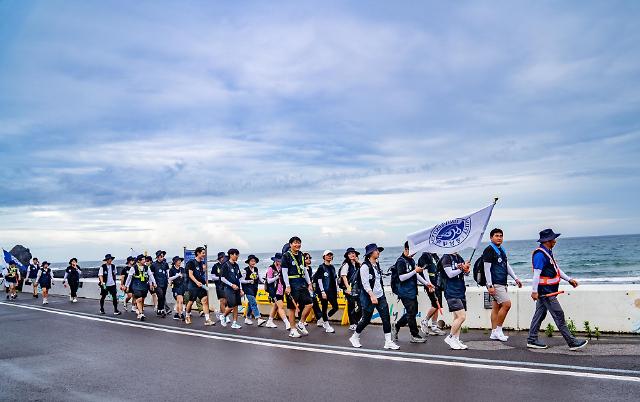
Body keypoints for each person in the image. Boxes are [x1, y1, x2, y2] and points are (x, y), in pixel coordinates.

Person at [527, 229, 588, 351]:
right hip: (546, 292)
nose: (555, 241)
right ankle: (572, 342)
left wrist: (569, 280)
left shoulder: (547, 252)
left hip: (548, 291)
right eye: (553, 239)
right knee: (559, 315)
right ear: (547, 241)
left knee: (540, 314)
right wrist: (534, 291)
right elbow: (536, 275)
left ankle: (532, 340)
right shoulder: (540, 255)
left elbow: (556, 269)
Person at [349, 243, 399, 350]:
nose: (378, 252)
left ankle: (388, 342)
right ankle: (355, 337)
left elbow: (377, 280)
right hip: (369, 297)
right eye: (377, 250)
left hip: (380, 296)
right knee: (366, 320)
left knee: (386, 318)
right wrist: (372, 295)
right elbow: (365, 283)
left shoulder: (376, 264)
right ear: (371, 253)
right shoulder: (365, 267)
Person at [483, 228, 523, 342]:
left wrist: (515, 278)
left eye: (501, 235)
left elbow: (506, 266)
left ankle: (493, 332)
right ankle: (498, 331)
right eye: (496, 235)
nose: (499, 237)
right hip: (495, 283)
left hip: (502, 282)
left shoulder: (501, 250)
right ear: (491, 238)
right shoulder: (489, 250)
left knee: (496, 308)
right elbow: (487, 269)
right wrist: (490, 285)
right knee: (507, 304)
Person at [392, 242, 432, 344]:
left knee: (412, 312)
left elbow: (416, 275)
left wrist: (426, 283)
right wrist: (415, 271)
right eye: (412, 251)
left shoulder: (411, 260)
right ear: (406, 249)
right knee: (411, 313)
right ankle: (414, 335)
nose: (414, 254)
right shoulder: (400, 261)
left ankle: (396, 326)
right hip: (404, 292)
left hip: (412, 291)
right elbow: (401, 277)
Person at [281, 237, 314, 338]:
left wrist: (309, 283)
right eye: (295, 243)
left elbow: (304, 270)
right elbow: (284, 272)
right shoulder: (286, 256)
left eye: (299, 243)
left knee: (309, 303)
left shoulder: (301, 255)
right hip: (292, 283)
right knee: (292, 308)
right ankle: (292, 329)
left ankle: (301, 323)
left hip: (302, 282)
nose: (297, 245)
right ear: (290, 244)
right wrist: (287, 286)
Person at [441, 252, 470, 350]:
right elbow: (450, 274)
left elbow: (465, 273)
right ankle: (450, 338)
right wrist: (461, 268)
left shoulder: (459, 257)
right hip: (451, 291)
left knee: (457, 317)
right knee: (462, 316)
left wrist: (466, 269)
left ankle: (456, 339)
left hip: (460, 290)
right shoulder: (446, 257)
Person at [184, 247, 214, 326]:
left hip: (201, 285)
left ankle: (207, 319)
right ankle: (187, 316)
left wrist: (205, 282)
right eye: (203, 253)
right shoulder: (191, 263)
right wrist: (197, 282)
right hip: (193, 285)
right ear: (198, 253)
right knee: (190, 302)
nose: (204, 255)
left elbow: (202, 275)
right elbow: (190, 274)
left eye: (204, 253)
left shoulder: (202, 263)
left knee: (205, 300)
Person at [417, 252, 445, 336]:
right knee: (436, 304)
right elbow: (424, 272)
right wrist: (429, 284)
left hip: (437, 284)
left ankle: (434, 326)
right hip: (431, 285)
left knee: (437, 305)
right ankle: (425, 321)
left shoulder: (434, 255)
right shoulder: (425, 256)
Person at [313, 250, 339, 333]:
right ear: (324, 257)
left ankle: (323, 319)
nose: (329, 256)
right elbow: (319, 280)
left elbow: (335, 279)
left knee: (335, 307)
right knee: (324, 308)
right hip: (324, 291)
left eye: (331, 255)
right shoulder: (321, 267)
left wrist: (337, 289)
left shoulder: (332, 267)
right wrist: (322, 291)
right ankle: (326, 325)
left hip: (332, 291)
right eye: (328, 255)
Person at [125, 254, 157, 321]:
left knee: (142, 299)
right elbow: (129, 278)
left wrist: (154, 283)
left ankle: (140, 311)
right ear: (139, 261)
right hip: (136, 285)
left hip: (144, 285)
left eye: (144, 259)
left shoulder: (146, 267)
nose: (144, 261)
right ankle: (141, 313)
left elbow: (151, 275)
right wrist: (126, 286)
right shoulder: (133, 268)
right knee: (139, 299)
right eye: (142, 259)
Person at [264, 253, 290, 329]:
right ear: (275, 260)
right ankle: (287, 323)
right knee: (280, 306)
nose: (280, 262)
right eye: (279, 260)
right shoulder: (271, 268)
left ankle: (269, 321)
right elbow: (269, 281)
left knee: (276, 306)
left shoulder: (281, 268)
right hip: (274, 291)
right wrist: (277, 277)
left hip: (281, 290)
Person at [219, 249, 243, 329]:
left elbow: (239, 278)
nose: (237, 257)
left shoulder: (236, 265)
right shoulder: (225, 265)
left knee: (236, 306)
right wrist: (231, 285)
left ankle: (235, 323)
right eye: (236, 255)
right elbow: (222, 278)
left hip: (237, 288)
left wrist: (241, 289)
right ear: (231, 255)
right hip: (228, 288)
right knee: (231, 305)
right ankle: (223, 316)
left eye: (238, 255)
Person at [339, 247, 362, 331]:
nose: (352, 254)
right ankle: (352, 324)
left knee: (361, 305)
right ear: (347, 256)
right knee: (351, 305)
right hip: (348, 288)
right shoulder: (346, 264)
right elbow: (344, 276)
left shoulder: (357, 264)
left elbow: (365, 268)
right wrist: (348, 287)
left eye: (353, 253)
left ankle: (356, 320)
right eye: (350, 253)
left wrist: (358, 261)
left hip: (357, 288)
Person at [241, 254, 266, 326]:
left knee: (250, 303)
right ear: (248, 262)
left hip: (255, 288)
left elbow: (260, 278)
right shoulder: (245, 270)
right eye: (251, 261)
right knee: (254, 302)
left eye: (254, 261)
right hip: (247, 288)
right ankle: (258, 318)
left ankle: (247, 318)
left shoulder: (256, 269)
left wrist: (264, 282)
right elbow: (241, 280)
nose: (253, 262)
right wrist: (249, 281)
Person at [305, 252, 323, 326]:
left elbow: (311, 279)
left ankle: (319, 318)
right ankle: (302, 320)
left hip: (310, 289)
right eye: (307, 258)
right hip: (304, 289)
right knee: (306, 304)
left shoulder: (310, 268)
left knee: (314, 303)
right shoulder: (302, 268)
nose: (309, 259)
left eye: (310, 258)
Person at [151, 250, 171, 317]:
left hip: (164, 282)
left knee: (163, 296)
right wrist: (152, 283)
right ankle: (161, 309)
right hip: (157, 283)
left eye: (163, 256)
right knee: (160, 295)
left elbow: (167, 272)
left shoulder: (165, 264)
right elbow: (151, 275)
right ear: (157, 257)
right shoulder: (153, 265)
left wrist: (169, 280)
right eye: (161, 256)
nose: (162, 257)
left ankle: (160, 309)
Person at [210, 251, 227, 321]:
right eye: (223, 257)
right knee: (222, 301)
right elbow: (213, 277)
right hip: (219, 286)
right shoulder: (215, 266)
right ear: (220, 258)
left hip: (226, 286)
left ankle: (220, 313)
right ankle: (225, 316)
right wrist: (220, 278)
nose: (224, 258)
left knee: (226, 301)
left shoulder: (226, 265)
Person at [169, 256, 186, 320]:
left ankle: (176, 313)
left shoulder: (182, 269)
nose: (179, 262)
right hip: (176, 287)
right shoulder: (172, 269)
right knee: (180, 300)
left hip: (182, 287)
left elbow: (185, 276)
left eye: (180, 261)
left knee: (179, 301)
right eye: (178, 261)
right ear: (175, 262)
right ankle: (181, 314)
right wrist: (177, 276)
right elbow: (170, 278)